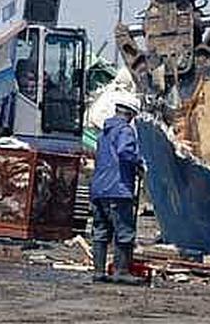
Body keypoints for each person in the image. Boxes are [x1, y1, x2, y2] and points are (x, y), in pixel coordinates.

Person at [90, 92, 144, 285]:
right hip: (118, 188)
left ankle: (98, 271)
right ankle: (121, 271)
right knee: (124, 231)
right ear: (130, 114)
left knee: (101, 230)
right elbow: (125, 151)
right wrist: (140, 162)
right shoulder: (125, 130)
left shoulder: (103, 132)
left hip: (99, 189)